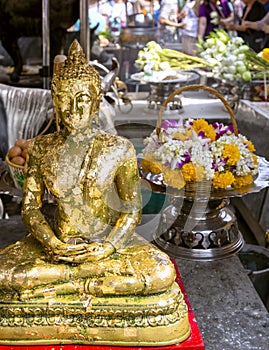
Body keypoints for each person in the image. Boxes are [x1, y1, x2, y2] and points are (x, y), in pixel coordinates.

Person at [0, 39, 176, 302]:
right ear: (56, 102)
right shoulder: (41, 148)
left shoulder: (119, 149)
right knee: (4, 275)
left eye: (82, 100)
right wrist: (51, 243)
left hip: (106, 247)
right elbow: (30, 208)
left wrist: (108, 247)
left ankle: (60, 290)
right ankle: (81, 287)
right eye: (65, 99)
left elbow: (131, 211)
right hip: (58, 248)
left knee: (161, 273)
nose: (74, 109)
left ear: (95, 102)